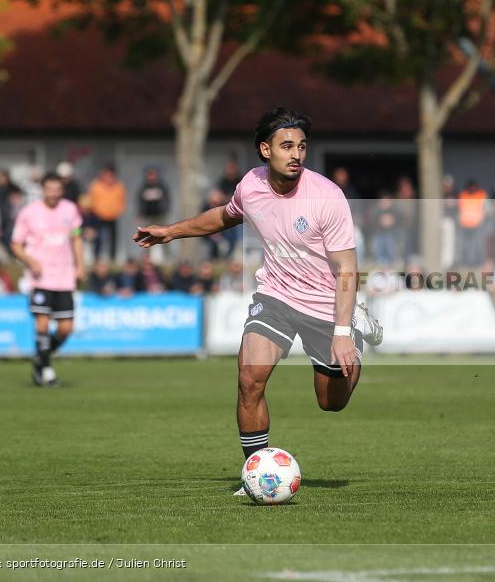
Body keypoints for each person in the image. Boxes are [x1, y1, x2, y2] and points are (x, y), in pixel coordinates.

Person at [132, 107, 383, 494]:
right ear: (266, 150)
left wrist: (340, 333)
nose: (296, 154)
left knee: (331, 402)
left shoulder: (327, 196)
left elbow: (347, 268)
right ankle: (254, 473)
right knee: (249, 379)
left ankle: (355, 331)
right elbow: (224, 216)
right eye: (287, 146)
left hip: (324, 304)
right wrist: (172, 232)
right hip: (276, 296)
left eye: (302, 146)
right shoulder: (250, 185)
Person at [11, 172, 86, 386]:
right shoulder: (29, 212)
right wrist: (30, 261)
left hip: (64, 278)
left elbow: (77, 237)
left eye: (57, 189)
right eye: (49, 189)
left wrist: (80, 265)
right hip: (40, 278)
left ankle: (40, 358)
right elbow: (15, 244)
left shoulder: (70, 209)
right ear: (42, 190)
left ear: (62, 190)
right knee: (42, 325)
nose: (54, 193)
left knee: (66, 328)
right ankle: (46, 371)